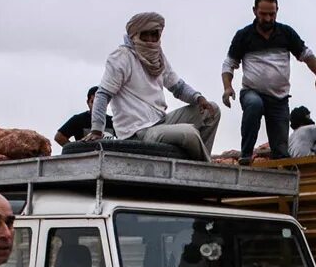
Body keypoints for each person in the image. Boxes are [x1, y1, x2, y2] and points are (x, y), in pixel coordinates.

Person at [82, 12, 220, 161]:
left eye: (154, 35)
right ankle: (205, 166)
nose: (150, 40)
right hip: (138, 132)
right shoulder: (122, 56)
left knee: (212, 111)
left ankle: (195, 161)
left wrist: (198, 98)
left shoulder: (158, 56)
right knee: (189, 133)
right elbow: (103, 94)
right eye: (145, 35)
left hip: (161, 122)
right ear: (135, 36)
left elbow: (178, 87)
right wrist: (97, 129)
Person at [221, 0, 316, 164]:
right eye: (263, 14)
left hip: (279, 98)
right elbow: (229, 64)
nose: (268, 18)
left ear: (277, 11)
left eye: (272, 14)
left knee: (280, 149)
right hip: (252, 91)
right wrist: (228, 87)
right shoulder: (244, 36)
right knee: (254, 105)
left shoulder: (286, 33)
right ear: (255, 11)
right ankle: (246, 154)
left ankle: (281, 168)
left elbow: (306, 54)